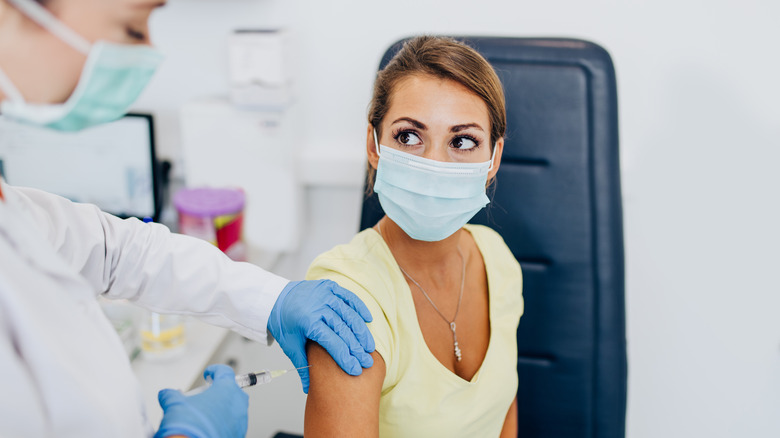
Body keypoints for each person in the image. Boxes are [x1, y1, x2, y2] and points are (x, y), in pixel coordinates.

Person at [0, 0, 375, 436]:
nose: (148, 50)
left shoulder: (17, 211)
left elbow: (118, 252)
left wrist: (271, 299)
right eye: (133, 29)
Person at [304, 36, 523, 437]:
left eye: (462, 141)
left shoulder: (497, 259)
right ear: (373, 146)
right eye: (409, 136)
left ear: (494, 159)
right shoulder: (347, 294)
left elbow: (504, 412)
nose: (434, 164)